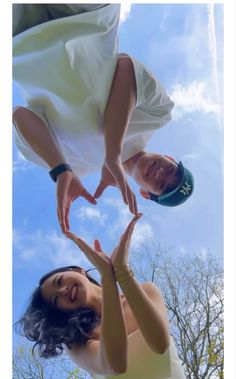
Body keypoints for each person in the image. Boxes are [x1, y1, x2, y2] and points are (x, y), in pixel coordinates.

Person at [13, 4, 194, 233]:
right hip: (89, 17)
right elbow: (126, 66)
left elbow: (20, 115)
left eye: (160, 185)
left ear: (145, 193)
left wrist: (60, 170)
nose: (159, 173)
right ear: (170, 157)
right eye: (170, 170)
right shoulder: (158, 115)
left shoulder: (77, 166)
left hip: (19, 45)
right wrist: (112, 153)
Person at [16, 215, 186, 379]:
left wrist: (122, 271)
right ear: (60, 310)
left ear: (78, 270)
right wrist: (107, 277)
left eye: (59, 281)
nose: (62, 292)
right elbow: (115, 365)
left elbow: (160, 344)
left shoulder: (147, 291)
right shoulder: (77, 339)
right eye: (55, 300)